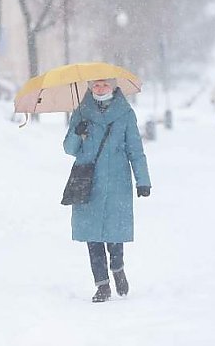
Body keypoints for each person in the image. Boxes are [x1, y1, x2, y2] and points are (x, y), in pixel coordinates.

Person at [63, 78, 152, 303]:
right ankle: (102, 285)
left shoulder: (125, 114)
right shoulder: (82, 112)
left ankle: (118, 268)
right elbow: (69, 149)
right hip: (88, 181)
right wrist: (76, 132)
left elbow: (136, 150)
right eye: (95, 85)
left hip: (116, 182)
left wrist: (143, 180)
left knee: (114, 232)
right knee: (92, 236)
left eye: (104, 84)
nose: (99, 89)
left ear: (113, 87)